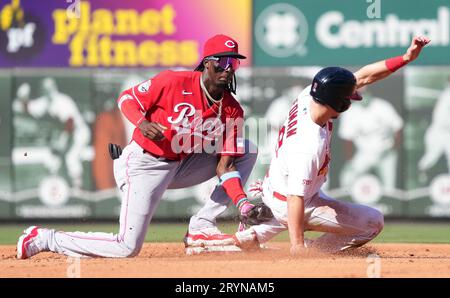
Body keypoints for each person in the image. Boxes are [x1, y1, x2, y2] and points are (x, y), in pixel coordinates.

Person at [17, 34, 258, 259]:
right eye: (223, 61)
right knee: (127, 247)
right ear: (207, 63)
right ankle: (44, 238)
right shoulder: (173, 81)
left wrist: (243, 203)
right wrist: (141, 123)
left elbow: (226, 167)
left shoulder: (232, 109)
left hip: (181, 165)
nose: (228, 69)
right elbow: (127, 98)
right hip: (144, 164)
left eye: (233, 64)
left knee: (247, 149)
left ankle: (202, 225)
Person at [232, 36, 430, 255]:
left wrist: (405, 58)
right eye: (349, 97)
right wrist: (297, 247)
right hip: (291, 200)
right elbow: (295, 198)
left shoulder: (310, 94)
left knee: (298, 198)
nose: (353, 97)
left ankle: (250, 236)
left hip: (278, 186)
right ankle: (314, 250)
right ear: (340, 103)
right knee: (373, 222)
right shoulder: (308, 143)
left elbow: (364, 76)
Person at [14, 77, 91, 189]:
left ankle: (78, 189)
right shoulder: (44, 102)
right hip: (64, 133)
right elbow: (27, 108)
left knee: (71, 157)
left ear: (54, 88)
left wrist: (62, 140)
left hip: (79, 132)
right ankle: (55, 189)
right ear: (42, 90)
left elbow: (70, 123)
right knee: (52, 161)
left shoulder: (63, 101)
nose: (47, 90)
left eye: (49, 88)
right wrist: (23, 98)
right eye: (45, 88)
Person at [338, 87, 404, 189]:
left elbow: (398, 127)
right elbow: (347, 139)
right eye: (359, 95)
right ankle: (347, 204)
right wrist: (350, 161)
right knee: (347, 178)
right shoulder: (350, 112)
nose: (363, 97)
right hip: (365, 154)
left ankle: (388, 205)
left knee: (389, 187)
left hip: (386, 153)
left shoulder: (383, 106)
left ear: (370, 93)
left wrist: (394, 149)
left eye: (365, 93)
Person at [418, 76, 450, 178]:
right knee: (431, 158)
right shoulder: (447, 95)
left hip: (446, 133)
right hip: (437, 133)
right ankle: (421, 173)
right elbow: (441, 120)